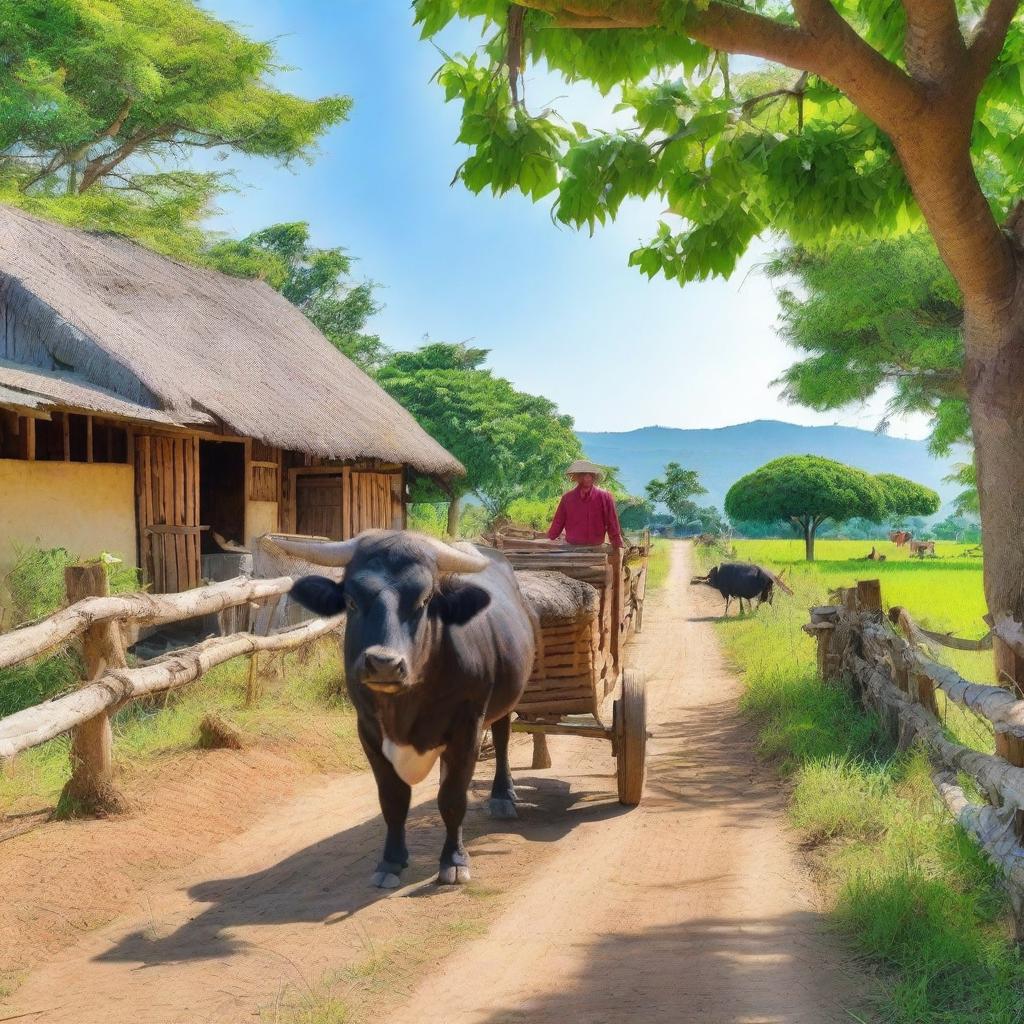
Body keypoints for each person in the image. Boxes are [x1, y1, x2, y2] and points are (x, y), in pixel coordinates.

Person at [546, 460, 624, 549]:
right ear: (577, 477)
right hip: (572, 546)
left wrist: (617, 544)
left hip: (596, 546)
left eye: (589, 475)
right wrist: (549, 538)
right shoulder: (567, 498)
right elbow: (558, 522)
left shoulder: (605, 497)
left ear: (594, 477)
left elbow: (612, 523)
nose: (587, 478)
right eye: (583, 475)